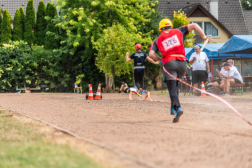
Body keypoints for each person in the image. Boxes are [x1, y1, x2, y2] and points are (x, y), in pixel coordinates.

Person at [149, 19, 211, 123]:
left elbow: (151, 54)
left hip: (170, 63)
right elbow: (194, 25)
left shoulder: (158, 39)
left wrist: (161, 59)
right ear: (171, 26)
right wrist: (204, 37)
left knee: (172, 87)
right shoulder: (179, 31)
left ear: (161, 29)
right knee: (176, 85)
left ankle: (178, 107)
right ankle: (173, 107)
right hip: (182, 63)